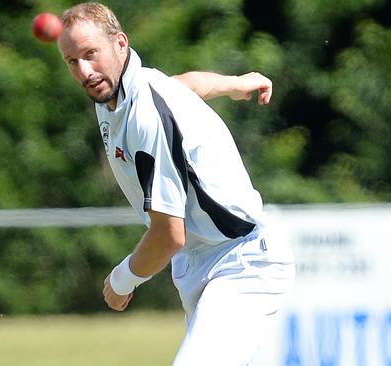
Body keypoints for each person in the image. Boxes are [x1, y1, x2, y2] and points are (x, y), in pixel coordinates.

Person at [57, 3, 295, 365]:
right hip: (200, 266)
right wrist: (235, 84)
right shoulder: (123, 91)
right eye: (73, 61)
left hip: (242, 264)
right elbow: (186, 84)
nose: (85, 72)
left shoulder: (145, 115)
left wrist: (122, 280)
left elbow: (169, 234)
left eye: (91, 54)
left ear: (120, 43)